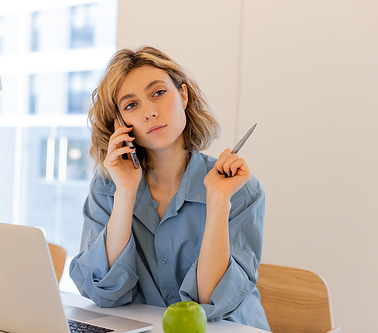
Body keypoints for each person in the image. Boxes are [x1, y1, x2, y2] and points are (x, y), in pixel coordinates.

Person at [69, 46, 270, 331]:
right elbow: (103, 293)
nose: (150, 112)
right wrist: (125, 193)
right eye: (130, 105)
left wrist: (217, 201)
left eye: (158, 93)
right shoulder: (107, 186)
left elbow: (211, 302)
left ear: (183, 96)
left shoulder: (238, 188)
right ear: (120, 124)